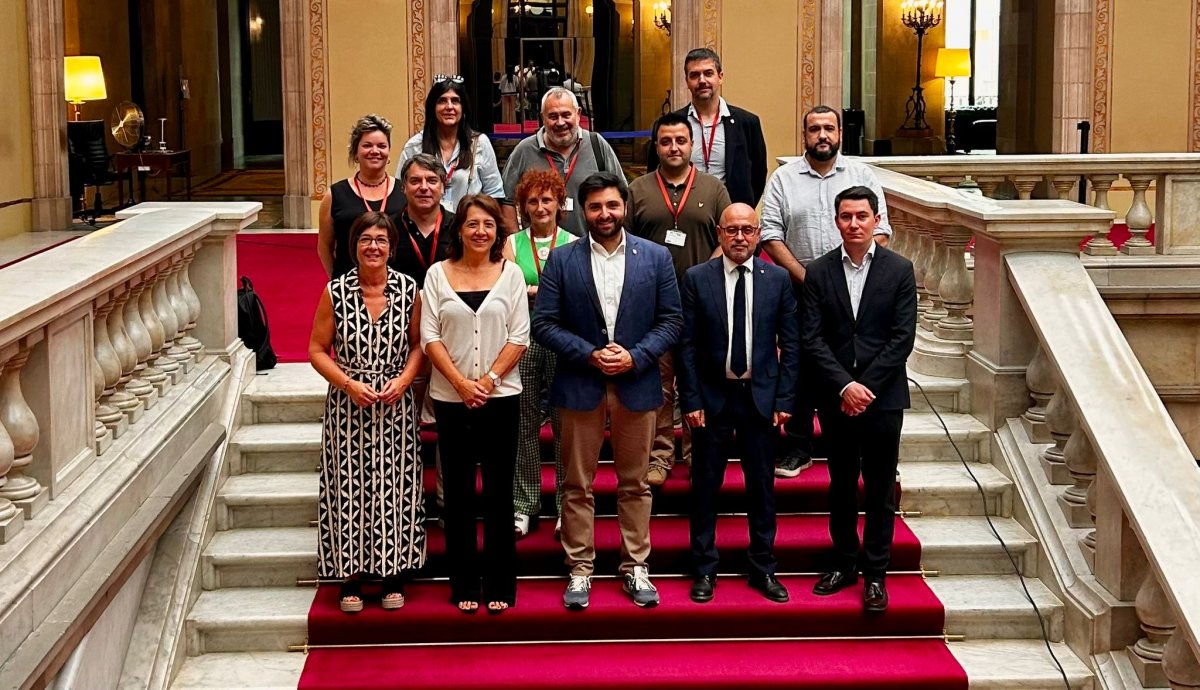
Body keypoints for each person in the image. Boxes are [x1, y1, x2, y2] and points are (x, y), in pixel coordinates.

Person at [532, 172, 682, 610]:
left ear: (625, 208)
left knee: (635, 483)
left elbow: (672, 320)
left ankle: (636, 565)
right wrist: (590, 354)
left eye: (612, 205)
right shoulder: (562, 259)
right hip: (581, 384)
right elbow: (544, 323)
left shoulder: (655, 257)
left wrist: (635, 356)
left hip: (637, 383)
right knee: (577, 484)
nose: (604, 214)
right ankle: (580, 568)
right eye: (595, 206)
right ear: (583, 211)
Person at [760, 104, 894, 479]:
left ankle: (862, 445)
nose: (822, 135)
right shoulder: (784, 178)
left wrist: (850, 275)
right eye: (814, 128)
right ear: (804, 135)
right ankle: (798, 446)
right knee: (800, 365)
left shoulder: (861, 175)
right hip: (799, 288)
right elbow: (770, 234)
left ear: (840, 134)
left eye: (829, 128)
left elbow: (882, 232)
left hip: (856, 288)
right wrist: (810, 279)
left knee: (854, 360)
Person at [677, 203, 800, 604]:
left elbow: (791, 344)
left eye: (748, 230)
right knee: (705, 488)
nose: (740, 237)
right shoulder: (698, 278)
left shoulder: (777, 279)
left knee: (761, 488)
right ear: (719, 233)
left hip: (760, 398)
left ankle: (763, 568)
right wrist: (690, 398)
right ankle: (704, 568)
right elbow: (686, 345)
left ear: (758, 234)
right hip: (711, 398)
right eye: (732, 230)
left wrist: (785, 397)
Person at [803, 186, 916, 614]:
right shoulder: (819, 272)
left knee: (881, 489)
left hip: (883, 398)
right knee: (842, 485)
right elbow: (811, 338)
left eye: (861, 216)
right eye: (846, 216)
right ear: (837, 222)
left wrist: (864, 386)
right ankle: (844, 563)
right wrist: (844, 387)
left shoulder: (899, 269)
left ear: (876, 220)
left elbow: (902, 338)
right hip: (837, 399)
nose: (854, 224)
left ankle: (875, 574)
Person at [309, 211, 427, 613]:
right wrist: (348, 384)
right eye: (365, 240)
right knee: (348, 488)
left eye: (381, 240)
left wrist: (405, 380)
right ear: (353, 246)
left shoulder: (409, 290)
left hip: (395, 404)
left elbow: (418, 345)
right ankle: (351, 576)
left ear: (391, 248)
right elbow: (316, 350)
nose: (373, 247)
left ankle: (393, 573)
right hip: (348, 405)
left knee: (396, 486)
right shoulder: (336, 291)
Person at [421, 195, 530, 614]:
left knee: (500, 493)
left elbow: (519, 335)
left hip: (501, 397)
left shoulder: (511, 274)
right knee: (459, 494)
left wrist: (487, 381)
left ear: (497, 231)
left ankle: (501, 583)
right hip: (451, 399)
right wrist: (461, 384)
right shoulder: (437, 274)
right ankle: (464, 583)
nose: (480, 231)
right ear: (459, 230)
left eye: (488, 224)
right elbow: (430, 337)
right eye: (472, 224)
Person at [628, 111, 730, 485]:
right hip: (652, 305)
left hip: (702, 301)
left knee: (697, 378)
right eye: (666, 141)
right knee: (659, 381)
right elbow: (626, 244)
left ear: (692, 145)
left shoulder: (713, 189)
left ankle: (696, 451)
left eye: (681, 141)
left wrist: (705, 278)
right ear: (656, 147)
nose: (674, 147)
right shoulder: (638, 189)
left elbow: (728, 238)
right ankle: (660, 455)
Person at [502, 170, 578, 539]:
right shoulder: (511, 243)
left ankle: (566, 506)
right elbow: (509, 290)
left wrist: (533, 290)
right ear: (522, 206)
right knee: (523, 425)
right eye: (532, 201)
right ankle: (525, 505)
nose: (540, 207)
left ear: (559, 203)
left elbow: (574, 293)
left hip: (562, 342)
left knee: (566, 428)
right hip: (522, 340)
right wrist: (546, 290)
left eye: (547, 200)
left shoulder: (574, 243)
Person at [646, 48, 767, 207]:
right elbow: (654, 172)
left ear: (720, 77)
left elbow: (758, 175)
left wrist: (742, 210)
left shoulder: (747, 123)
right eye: (694, 75)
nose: (702, 80)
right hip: (682, 212)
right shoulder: (668, 125)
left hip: (730, 213)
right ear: (687, 81)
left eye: (708, 73)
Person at [501, 87, 624, 237]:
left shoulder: (596, 145)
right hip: (540, 249)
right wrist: (518, 243)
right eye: (553, 116)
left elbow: (622, 193)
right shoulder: (524, 150)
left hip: (590, 246)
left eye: (566, 115)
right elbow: (505, 200)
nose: (560, 123)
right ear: (543, 117)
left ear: (578, 114)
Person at [397, 76, 504, 213]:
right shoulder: (414, 146)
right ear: (432, 108)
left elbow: (494, 192)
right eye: (442, 101)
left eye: (455, 101)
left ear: (463, 108)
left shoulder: (480, 143)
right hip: (426, 222)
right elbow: (401, 192)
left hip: (467, 223)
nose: (449, 107)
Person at [318, 115, 405, 279]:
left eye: (382, 146)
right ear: (356, 153)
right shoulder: (335, 195)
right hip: (349, 283)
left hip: (395, 285)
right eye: (367, 145)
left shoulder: (404, 192)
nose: (375, 151)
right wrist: (337, 281)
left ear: (388, 152)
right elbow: (324, 247)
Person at [394, 154, 457, 288]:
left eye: (432, 181)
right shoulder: (388, 229)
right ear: (403, 187)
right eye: (415, 181)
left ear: (443, 187)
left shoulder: (459, 227)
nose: (423, 187)